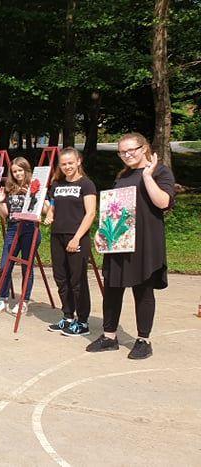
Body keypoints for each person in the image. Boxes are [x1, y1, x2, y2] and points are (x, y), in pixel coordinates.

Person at [86, 133, 175, 359]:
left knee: (143, 291)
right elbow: (114, 212)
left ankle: (143, 340)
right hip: (119, 242)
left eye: (131, 150)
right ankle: (109, 336)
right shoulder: (121, 177)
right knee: (112, 290)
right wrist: (101, 231)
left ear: (144, 147)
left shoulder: (160, 172)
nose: (127, 155)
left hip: (145, 243)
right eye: (122, 152)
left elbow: (163, 202)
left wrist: (147, 175)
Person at [42, 147, 97, 336]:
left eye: (70, 163)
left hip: (77, 237)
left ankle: (82, 321)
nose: (67, 167)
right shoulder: (56, 184)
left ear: (78, 161)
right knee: (61, 278)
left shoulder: (87, 184)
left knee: (77, 280)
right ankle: (67, 316)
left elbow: (90, 213)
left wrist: (76, 238)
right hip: (57, 236)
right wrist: (49, 213)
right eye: (63, 164)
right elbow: (53, 205)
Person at [0, 157, 37, 314]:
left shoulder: (35, 186)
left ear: (26, 170)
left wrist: (33, 195)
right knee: (5, 265)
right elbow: (5, 215)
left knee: (27, 265)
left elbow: (43, 210)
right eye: (14, 171)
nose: (17, 174)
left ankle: (24, 301)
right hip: (13, 228)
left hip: (30, 229)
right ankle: (2, 298)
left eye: (20, 170)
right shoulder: (9, 187)